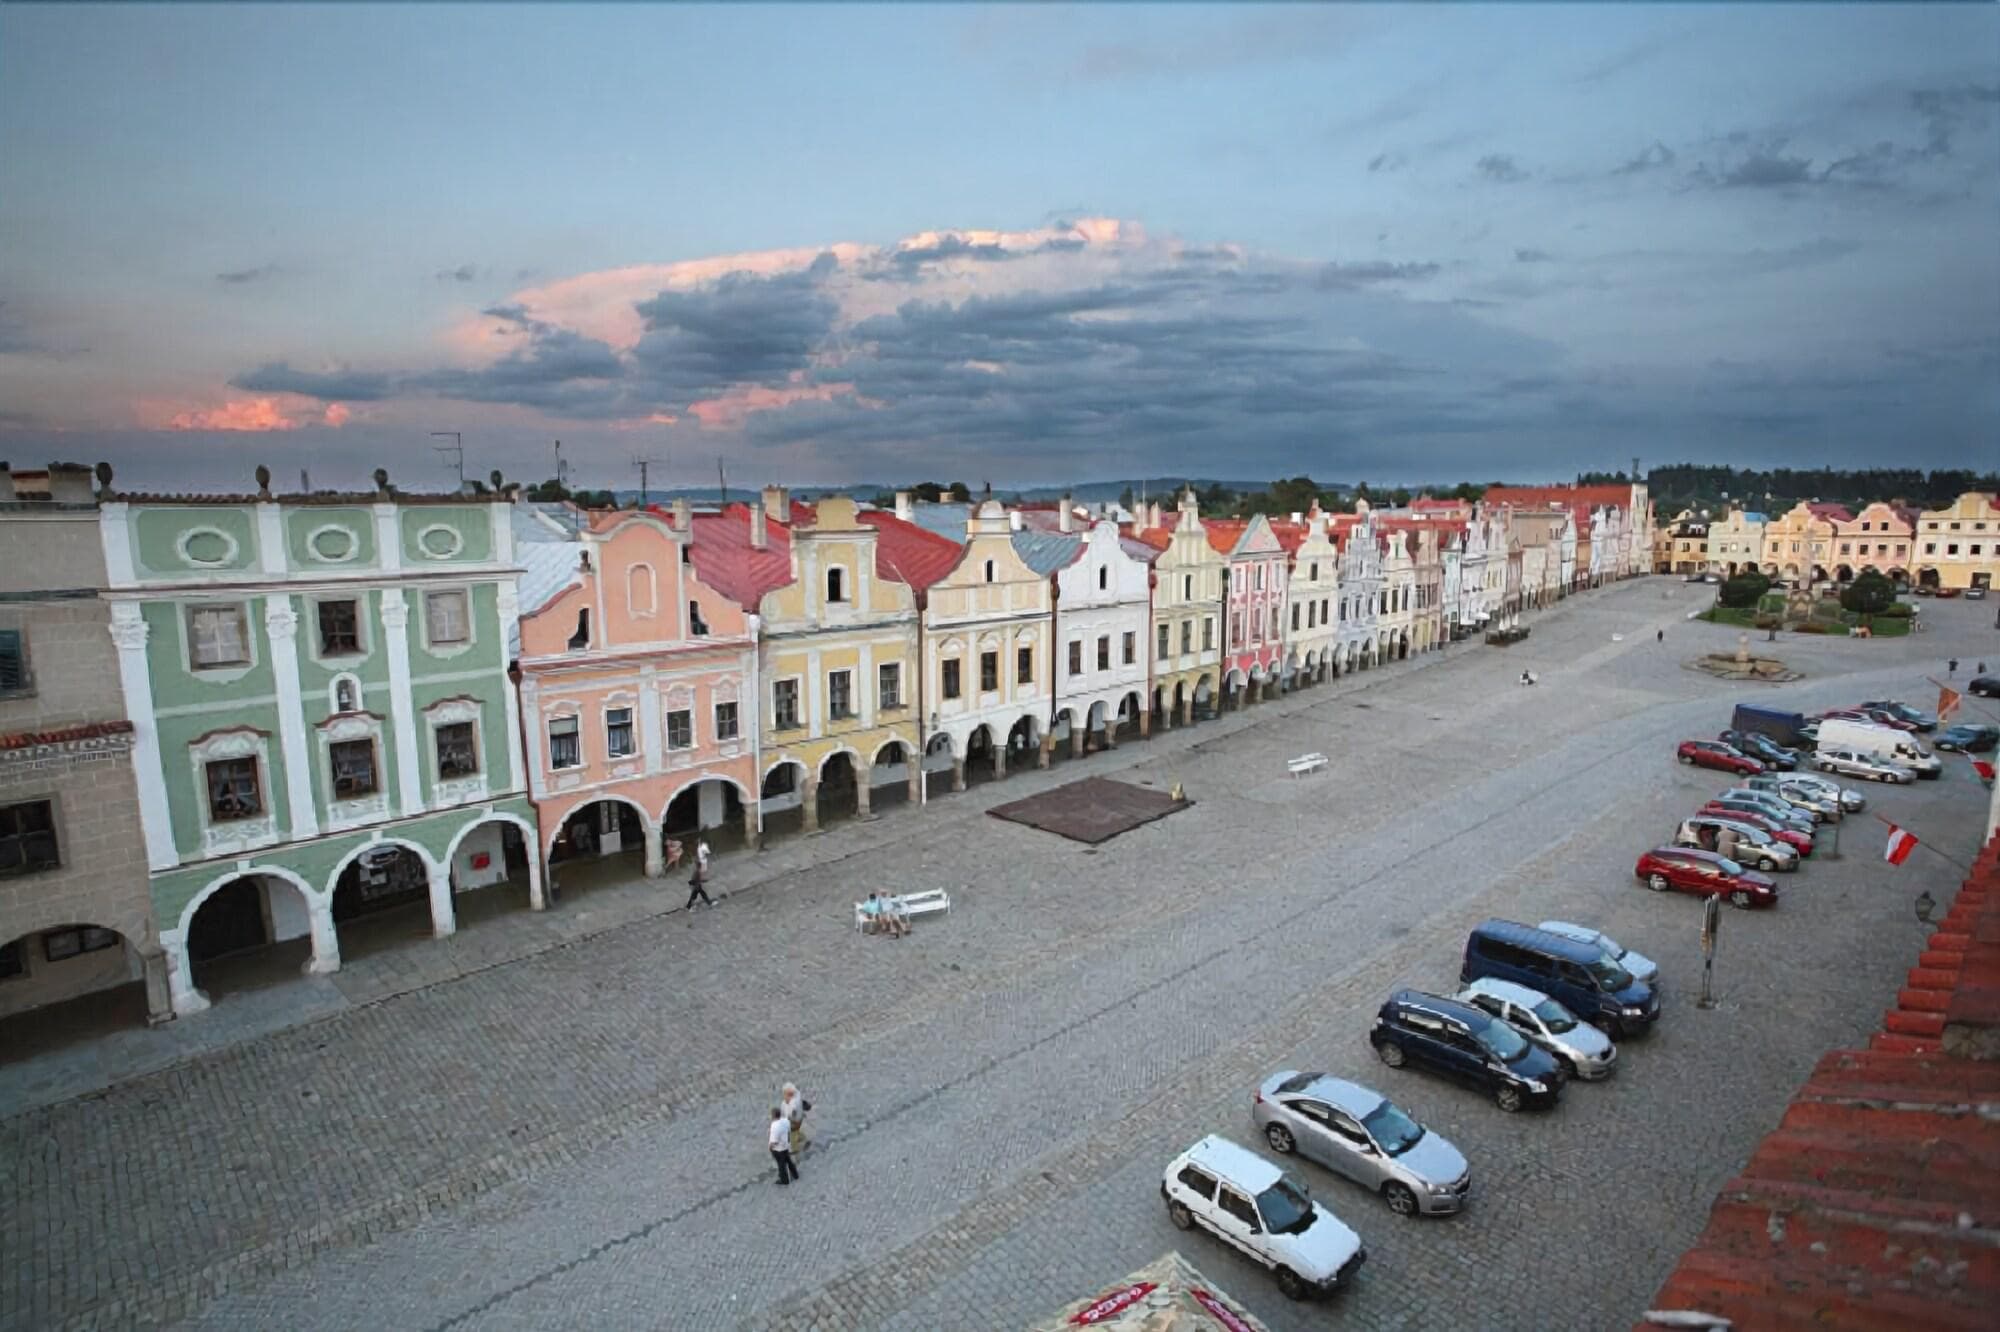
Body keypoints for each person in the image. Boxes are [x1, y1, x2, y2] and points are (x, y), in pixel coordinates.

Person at [768, 1107, 798, 1186]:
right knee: (788, 1160)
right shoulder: (785, 1121)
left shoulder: (774, 1126)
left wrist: (770, 1147)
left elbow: (774, 1141)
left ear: (773, 1116)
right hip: (786, 1145)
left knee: (781, 1165)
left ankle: (784, 1180)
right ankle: (795, 1174)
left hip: (778, 1149)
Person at [782, 1082, 812, 1157]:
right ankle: (804, 1141)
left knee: (793, 1135)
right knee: (795, 1133)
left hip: (794, 1124)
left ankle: (795, 1150)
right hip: (793, 1124)